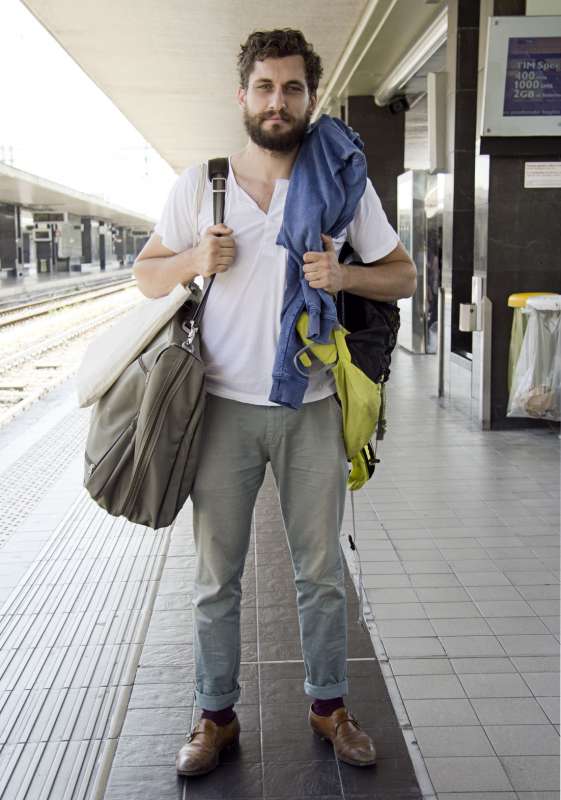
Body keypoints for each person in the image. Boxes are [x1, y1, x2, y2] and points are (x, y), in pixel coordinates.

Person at [133, 28, 416, 777]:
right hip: (221, 408)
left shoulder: (339, 183)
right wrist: (197, 258)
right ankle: (214, 714)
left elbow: (403, 275)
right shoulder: (203, 185)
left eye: (292, 88)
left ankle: (329, 706)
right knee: (214, 576)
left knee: (319, 572)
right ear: (243, 96)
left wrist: (343, 279)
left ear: (310, 98)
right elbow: (146, 275)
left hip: (311, 405)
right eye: (264, 87)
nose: (277, 102)